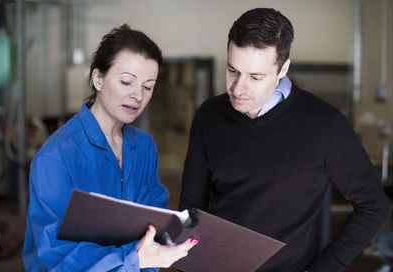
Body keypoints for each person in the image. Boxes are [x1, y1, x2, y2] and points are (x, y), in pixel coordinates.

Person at [179, 8, 390, 272]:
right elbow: (191, 207)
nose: (237, 88)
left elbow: (373, 206)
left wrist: (326, 266)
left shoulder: (325, 125)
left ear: (283, 68)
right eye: (233, 70)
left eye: (255, 77)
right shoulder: (208, 116)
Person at [23, 24, 198, 272]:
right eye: (127, 82)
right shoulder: (55, 157)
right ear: (98, 78)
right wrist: (135, 259)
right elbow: (56, 256)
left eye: (148, 86)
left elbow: (156, 215)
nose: (138, 95)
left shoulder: (144, 147)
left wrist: (179, 236)